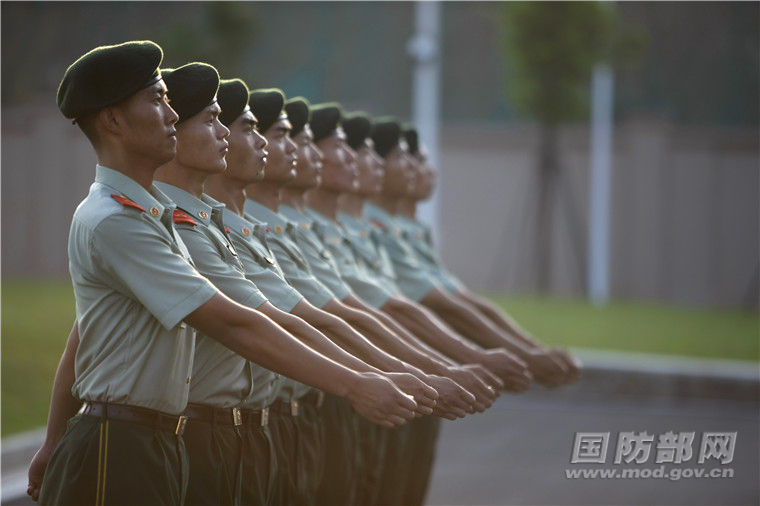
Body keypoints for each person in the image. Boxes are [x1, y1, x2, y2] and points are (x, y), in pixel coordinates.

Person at [27, 41, 420, 505]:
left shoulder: (154, 215)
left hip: (157, 439)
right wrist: (357, 384)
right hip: (121, 444)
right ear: (112, 121)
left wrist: (52, 441)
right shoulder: (118, 219)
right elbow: (235, 322)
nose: (172, 115)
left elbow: (84, 334)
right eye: (157, 100)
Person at [398, 126, 582, 384]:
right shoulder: (379, 231)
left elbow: (459, 298)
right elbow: (440, 305)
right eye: (410, 160)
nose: (426, 171)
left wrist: (532, 350)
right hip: (399, 373)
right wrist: (525, 356)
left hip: (419, 371)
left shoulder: (412, 230)